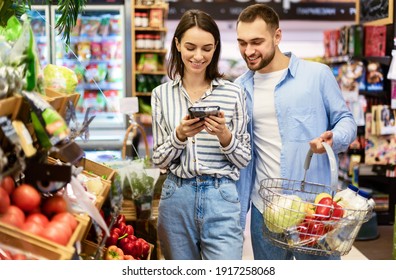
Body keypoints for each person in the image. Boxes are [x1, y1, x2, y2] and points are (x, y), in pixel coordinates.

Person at [234, 4, 357, 260]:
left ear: (277, 36)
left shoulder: (317, 75)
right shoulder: (240, 87)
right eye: (242, 43)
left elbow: (346, 120)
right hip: (264, 207)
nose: (249, 51)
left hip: (314, 209)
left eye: (257, 41)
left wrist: (333, 138)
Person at [151, 9, 251, 260]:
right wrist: (179, 135)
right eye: (190, 47)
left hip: (222, 197)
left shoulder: (233, 93)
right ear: (177, 45)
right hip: (176, 197)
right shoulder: (161, 95)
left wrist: (225, 136)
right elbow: (160, 160)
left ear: (215, 47)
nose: (198, 56)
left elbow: (244, 158)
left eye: (207, 48)